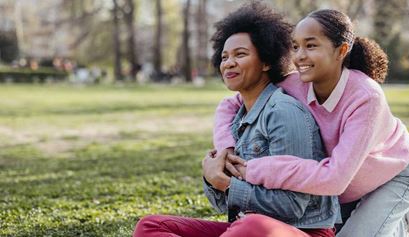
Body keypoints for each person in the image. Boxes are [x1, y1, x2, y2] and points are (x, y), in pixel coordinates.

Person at [133, 3, 340, 237]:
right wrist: (212, 178)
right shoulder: (238, 118)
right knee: (151, 226)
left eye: (240, 54)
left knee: (250, 226)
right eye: (224, 57)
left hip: (301, 231)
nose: (228, 63)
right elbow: (226, 206)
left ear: (266, 61)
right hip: (244, 229)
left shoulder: (284, 113)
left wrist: (229, 186)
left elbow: (292, 207)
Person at [213, 8, 409, 237]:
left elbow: (334, 178)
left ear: (341, 50)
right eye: (295, 46)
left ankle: (405, 214)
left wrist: (253, 170)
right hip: (345, 186)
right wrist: (227, 151)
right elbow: (229, 105)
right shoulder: (295, 83)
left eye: (310, 46)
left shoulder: (366, 97)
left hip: (389, 177)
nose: (299, 56)